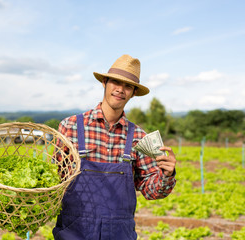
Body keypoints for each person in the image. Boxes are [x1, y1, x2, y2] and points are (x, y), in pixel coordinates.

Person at [52, 54, 177, 240]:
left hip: (119, 233)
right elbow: (54, 178)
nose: (120, 90)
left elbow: (151, 191)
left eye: (128, 86)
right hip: (74, 231)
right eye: (115, 82)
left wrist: (166, 175)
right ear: (104, 82)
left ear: (134, 92)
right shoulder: (69, 127)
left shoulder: (138, 136)